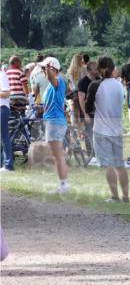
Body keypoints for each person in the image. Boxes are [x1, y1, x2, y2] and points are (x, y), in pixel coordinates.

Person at [86, 57, 129, 202]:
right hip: (117, 129)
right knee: (119, 165)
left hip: (101, 129)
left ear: (98, 69)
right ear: (113, 68)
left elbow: (88, 107)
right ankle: (126, 196)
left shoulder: (95, 85)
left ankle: (115, 196)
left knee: (108, 165)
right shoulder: (119, 85)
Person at [37, 57, 70, 193]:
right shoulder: (52, 84)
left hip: (55, 121)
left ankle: (63, 185)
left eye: (46, 68)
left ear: (53, 69)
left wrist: (48, 68)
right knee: (58, 154)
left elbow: (52, 77)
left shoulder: (58, 81)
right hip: (54, 121)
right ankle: (63, 184)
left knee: (58, 155)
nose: (44, 71)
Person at [76, 60, 99, 162]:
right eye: (95, 69)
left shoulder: (99, 79)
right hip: (87, 112)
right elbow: (81, 99)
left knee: (97, 133)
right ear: (89, 70)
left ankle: (98, 153)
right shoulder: (83, 82)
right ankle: (91, 155)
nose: (98, 70)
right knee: (89, 133)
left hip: (98, 112)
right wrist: (85, 114)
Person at [0, 69, 11, 172]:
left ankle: (8, 165)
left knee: (4, 137)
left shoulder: (2, 75)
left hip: (2, 108)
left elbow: (7, 93)